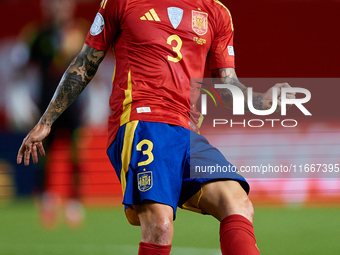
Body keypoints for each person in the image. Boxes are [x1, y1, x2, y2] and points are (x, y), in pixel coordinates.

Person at [17, 0, 295, 254]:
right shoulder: (121, 2)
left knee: (238, 203)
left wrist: (262, 100)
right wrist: (46, 121)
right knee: (160, 227)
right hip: (140, 121)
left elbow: (226, 85)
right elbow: (85, 63)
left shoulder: (216, 12)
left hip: (186, 132)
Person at [14, 0, 88, 228]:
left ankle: (75, 203)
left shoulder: (80, 32)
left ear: (71, 7)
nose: (58, 8)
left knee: (76, 155)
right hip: (46, 108)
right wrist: (20, 97)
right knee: (43, 154)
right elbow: (21, 67)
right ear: (46, 7)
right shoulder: (36, 34)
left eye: (63, 4)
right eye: (54, 4)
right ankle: (46, 200)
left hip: (74, 107)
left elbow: (92, 66)